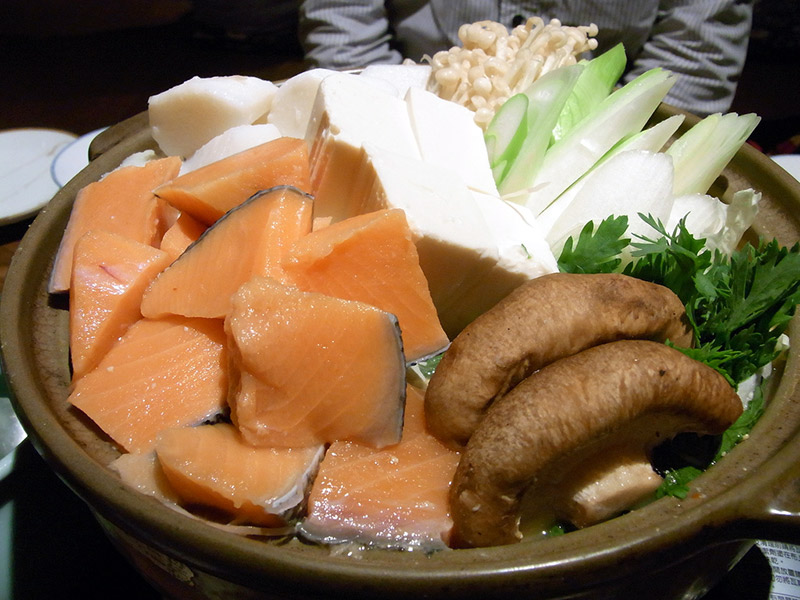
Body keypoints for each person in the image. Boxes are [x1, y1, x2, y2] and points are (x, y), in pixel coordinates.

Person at [298, 0, 754, 117]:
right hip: (410, 88)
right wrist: (382, 113)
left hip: (595, 115)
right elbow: (345, 21)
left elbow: (695, 53)